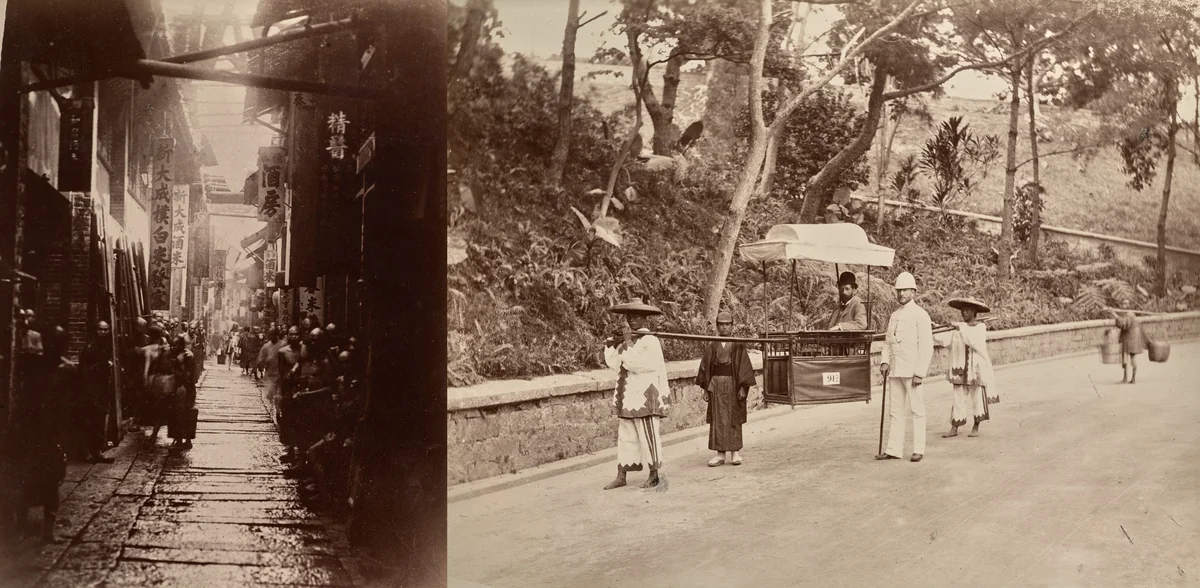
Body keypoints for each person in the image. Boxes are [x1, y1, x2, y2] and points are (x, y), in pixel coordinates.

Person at [602, 297, 670, 490]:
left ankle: (654, 474)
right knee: (626, 436)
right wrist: (612, 343)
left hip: (645, 396)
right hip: (627, 395)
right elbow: (614, 363)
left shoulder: (650, 341)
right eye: (630, 316)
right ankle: (621, 474)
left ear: (645, 319)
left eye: (637, 317)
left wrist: (628, 342)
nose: (632, 320)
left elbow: (639, 365)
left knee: (649, 436)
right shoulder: (627, 339)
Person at [876, 272, 934, 463]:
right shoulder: (894, 316)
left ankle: (918, 449)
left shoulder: (921, 315)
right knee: (895, 411)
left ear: (913, 291)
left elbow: (926, 346)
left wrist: (919, 372)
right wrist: (885, 361)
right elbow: (887, 342)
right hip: (896, 370)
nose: (901, 294)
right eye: (899, 290)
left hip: (912, 371)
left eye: (905, 290)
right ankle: (893, 449)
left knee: (917, 410)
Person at [696, 311, 756, 467]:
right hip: (715, 384)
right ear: (717, 326)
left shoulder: (737, 344)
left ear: (732, 326)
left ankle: (735, 453)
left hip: (733, 383)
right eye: (721, 324)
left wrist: (743, 387)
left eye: (727, 324)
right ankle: (720, 454)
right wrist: (705, 389)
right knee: (718, 418)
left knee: (733, 417)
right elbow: (706, 367)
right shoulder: (712, 344)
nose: (724, 327)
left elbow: (744, 366)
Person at [940, 298, 998, 439]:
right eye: (963, 310)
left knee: (977, 397)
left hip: (975, 369)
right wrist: (933, 329)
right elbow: (944, 341)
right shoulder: (958, 328)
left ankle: (976, 425)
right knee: (958, 397)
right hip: (959, 368)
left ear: (975, 312)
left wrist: (961, 328)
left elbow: (974, 342)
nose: (964, 312)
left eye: (968, 310)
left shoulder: (980, 327)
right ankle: (954, 427)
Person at [79, 321, 116, 463]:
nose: (103, 332)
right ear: (96, 331)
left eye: (106, 330)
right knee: (89, 421)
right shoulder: (90, 348)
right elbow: (85, 371)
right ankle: (87, 452)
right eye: (101, 329)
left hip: (102, 390)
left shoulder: (106, 346)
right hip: (91, 390)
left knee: (99, 421)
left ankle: (97, 451)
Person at [142, 326, 175, 440]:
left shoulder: (148, 349)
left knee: (156, 407)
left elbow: (146, 368)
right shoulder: (165, 348)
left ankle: (154, 432)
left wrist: (145, 381)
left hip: (154, 380)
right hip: (166, 380)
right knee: (164, 406)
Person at [169, 335, 198, 448]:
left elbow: (188, 376)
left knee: (184, 414)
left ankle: (186, 440)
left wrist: (175, 370)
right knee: (176, 414)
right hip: (177, 388)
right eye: (172, 345)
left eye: (175, 345)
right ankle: (179, 439)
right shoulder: (174, 354)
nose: (173, 347)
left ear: (181, 345)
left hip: (185, 389)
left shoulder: (186, 356)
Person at [1112, 310, 1148, 384]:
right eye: (1123, 303)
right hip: (1131, 338)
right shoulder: (1128, 314)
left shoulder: (1129, 314)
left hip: (1130, 339)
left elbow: (1124, 324)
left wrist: (1113, 314)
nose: (1124, 305)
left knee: (1127, 358)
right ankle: (1131, 378)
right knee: (1130, 358)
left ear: (1128, 305)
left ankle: (1128, 379)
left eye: (1126, 304)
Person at [257, 328, 284, 420]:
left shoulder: (283, 344)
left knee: (279, 395)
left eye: (273, 334)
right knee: (270, 395)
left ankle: (278, 412)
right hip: (270, 374)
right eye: (270, 334)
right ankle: (272, 412)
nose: (271, 336)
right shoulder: (266, 347)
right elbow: (261, 360)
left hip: (281, 374)